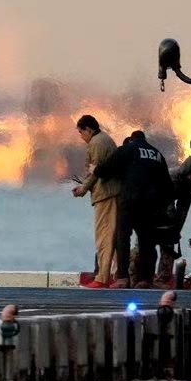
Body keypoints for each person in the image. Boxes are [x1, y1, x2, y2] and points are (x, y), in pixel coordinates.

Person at [94, 130, 173, 289]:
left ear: (131, 139)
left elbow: (104, 169)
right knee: (147, 241)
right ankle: (145, 279)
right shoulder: (157, 154)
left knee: (122, 237)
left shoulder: (128, 149)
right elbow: (168, 186)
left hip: (130, 200)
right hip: (151, 204)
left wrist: (94, 170)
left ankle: (123, 278)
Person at [72, 115, 121, 288]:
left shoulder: (97, 143)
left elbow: (96, 171)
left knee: (104, 237)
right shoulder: (105, 139)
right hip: (112, 193)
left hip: (105, 195)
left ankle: (102, 278)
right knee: (113, 237)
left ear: (88, 129)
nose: (81, 136)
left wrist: (83, 189)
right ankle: (118, 274)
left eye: (81, 132)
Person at [154, 155, 191, 287]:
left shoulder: (190, 186)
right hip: (152, 206)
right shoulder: (170, 177)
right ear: (187, 170)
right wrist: (169, 224)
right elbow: (166, 201)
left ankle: (162, 279)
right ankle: (140, 277)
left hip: (166, 211)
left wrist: (176, 230)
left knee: (168, 245)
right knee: (145, 245)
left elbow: (183, 209)